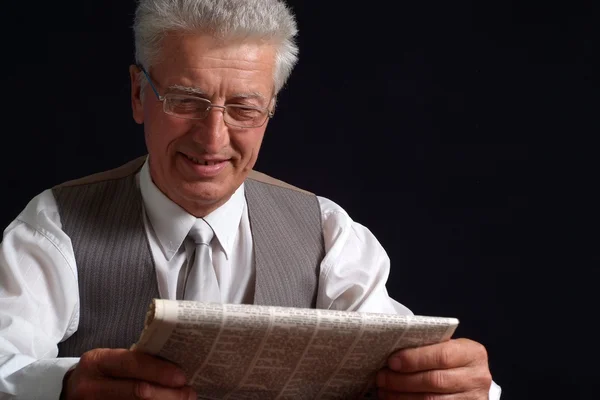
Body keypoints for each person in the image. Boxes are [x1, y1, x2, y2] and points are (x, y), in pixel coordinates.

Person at [0, 0, 500, 399]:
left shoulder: (328, 232)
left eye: (243, 107)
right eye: (187, 101)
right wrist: (62, 387)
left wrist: (466, 389)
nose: (213, 139)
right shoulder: (54, 225)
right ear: (138, 94)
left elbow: (411, 364)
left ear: (272, 109)